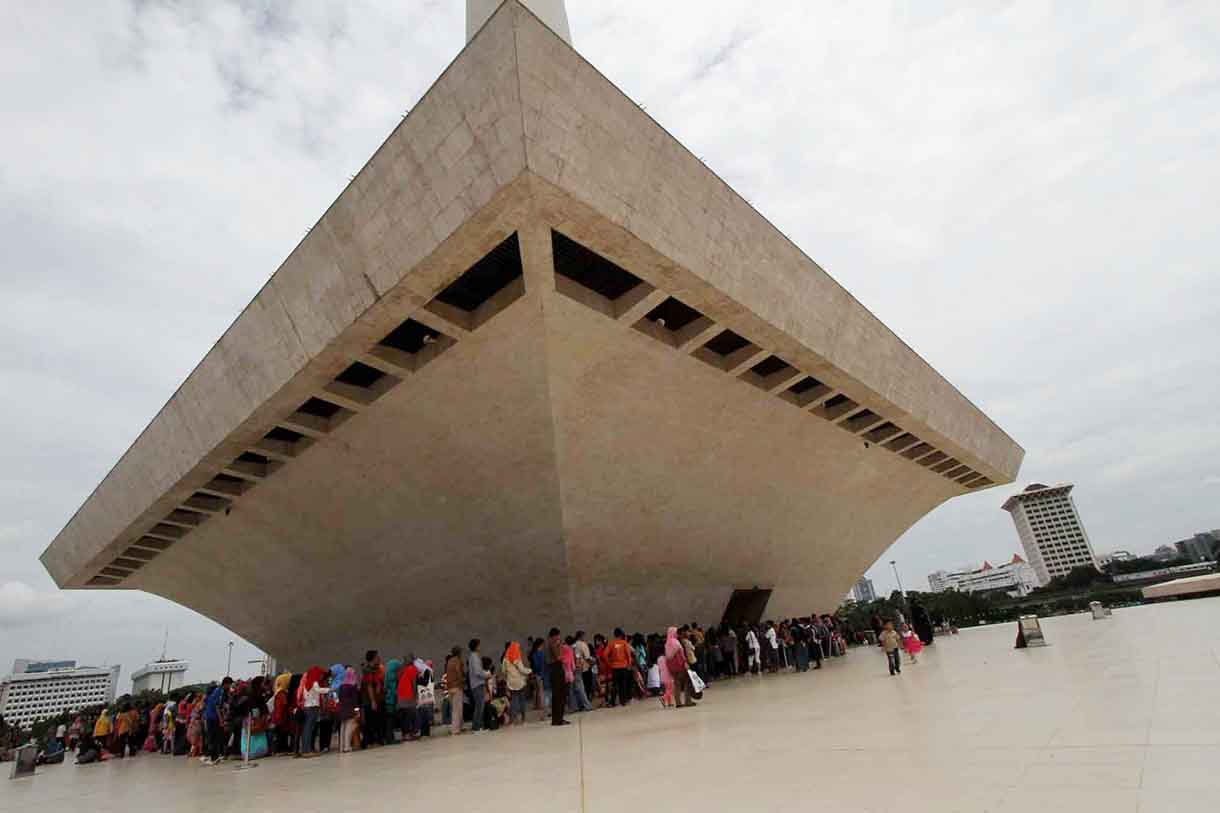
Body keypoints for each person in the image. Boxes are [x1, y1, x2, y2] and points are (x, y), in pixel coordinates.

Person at [501, 641, 532, 726]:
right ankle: (523, 719)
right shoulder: (517, 658)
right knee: (522, 700)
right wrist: (530, 670)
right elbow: (522, 670)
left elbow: (503, 671)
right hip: (520, 682)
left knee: (514, 700)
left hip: (511, 682)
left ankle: (512, 721)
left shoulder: (505, 659)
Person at [665, 627, 695, 708]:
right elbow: (681, 655)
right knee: (687, 682)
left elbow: (668, 657)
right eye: (676, 632)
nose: (677, 634)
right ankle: (688, 701)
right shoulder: (676, 643)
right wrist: (685, 663)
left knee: (676, 684)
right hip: (680, 666)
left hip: (672, 667)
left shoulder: (667, 644)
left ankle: (678, 702)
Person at [360, 651, 385, 747]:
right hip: (370, 700)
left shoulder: (377, 669)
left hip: (378, 698)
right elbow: (369, 686)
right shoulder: (368, 670)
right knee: (371, 721)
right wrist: (373, 701)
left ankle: (377, 740)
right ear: (373, 659)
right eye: (377, 657)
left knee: (378, 720)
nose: (379, 658)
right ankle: (369, 742)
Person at [545, 628, 569, 726]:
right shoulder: (553, 643)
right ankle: (558, 719)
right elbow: (558, 657)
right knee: (559, 695)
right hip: (556, 668)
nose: (559, 638)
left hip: (554, 669)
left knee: (557, 695)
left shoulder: (549, 643)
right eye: (558, 635)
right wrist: (560, 646)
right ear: (554, 635)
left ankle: (557, 719)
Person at [607, 628, 634, 706]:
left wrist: (609, 663)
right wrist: (629, 665)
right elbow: (629, 656)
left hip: (614, 668)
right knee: (623, 684)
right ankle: (623, 701)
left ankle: (612, 702)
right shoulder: (624, 643)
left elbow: (605, 655)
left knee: (614, 685)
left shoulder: (611, 643)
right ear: (621, 634)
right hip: (624, 667)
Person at [467, 640, 488, 733]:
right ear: (476, 646)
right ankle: (477, 727)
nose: (480, 647)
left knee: (479, 706)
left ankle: (477, 726)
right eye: (479, 645)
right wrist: (486, 674)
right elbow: (477, 671)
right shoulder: (474, 657)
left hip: (476, 684)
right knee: (480, 706)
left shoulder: (473, 656)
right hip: (478, 684)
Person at [336, 667, 359, 753]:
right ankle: (347, 746)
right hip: (350, 709)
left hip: (342, 709)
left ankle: (341, 747)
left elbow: (338, 698)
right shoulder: (352, 686)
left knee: (343, 727)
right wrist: (357, 710)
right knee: (349, 728)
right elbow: (355, 700)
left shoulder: (341, 686)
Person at [397, 655, 419, 740]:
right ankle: (409, 734)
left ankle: (405, 734)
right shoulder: (412, 668)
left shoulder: (402, 669)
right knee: (409, 714)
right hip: (408, 694)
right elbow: (413, 682)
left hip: (400, 693)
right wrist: (415, 694)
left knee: (403, 714)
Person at [445, 646, 466, 735]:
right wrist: (462, 681)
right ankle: (456, 730)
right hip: (457, 686)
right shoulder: (458, 660)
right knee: (458, 709)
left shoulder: (449, 661)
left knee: (454, 708)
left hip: (449, 687)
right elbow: (458, 672)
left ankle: (459, 727)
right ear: (459, 653)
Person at [415, 659, 436, 737]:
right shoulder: (427, 671)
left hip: (424, 696)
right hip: (425, 696)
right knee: (424, 714)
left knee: (424, 714)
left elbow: (424, 683)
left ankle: (425, 732)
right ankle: (425, 732)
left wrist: (418, 678)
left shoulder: (426, 672)